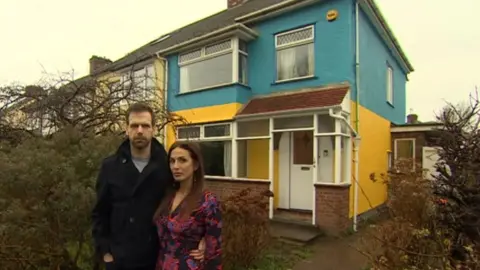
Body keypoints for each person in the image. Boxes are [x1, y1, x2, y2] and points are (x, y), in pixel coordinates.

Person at [91, 103, 205, 270]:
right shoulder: (110, 166)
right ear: (126, 129)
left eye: (145, 125)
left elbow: (189, 198)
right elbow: (100, 212)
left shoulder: (167, 166)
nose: (139, 130)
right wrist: (106, 253)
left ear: (154, 129)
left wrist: (204, 238)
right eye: (134, 125)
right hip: (119, 259)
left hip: (157, 258)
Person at [154, 141, 222, 270]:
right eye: (172, 161)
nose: (176, 166)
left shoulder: (207, 202)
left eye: (182, 160)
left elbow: (214, 253)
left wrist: (206, 245)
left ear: (195, 165)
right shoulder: (167, 196)